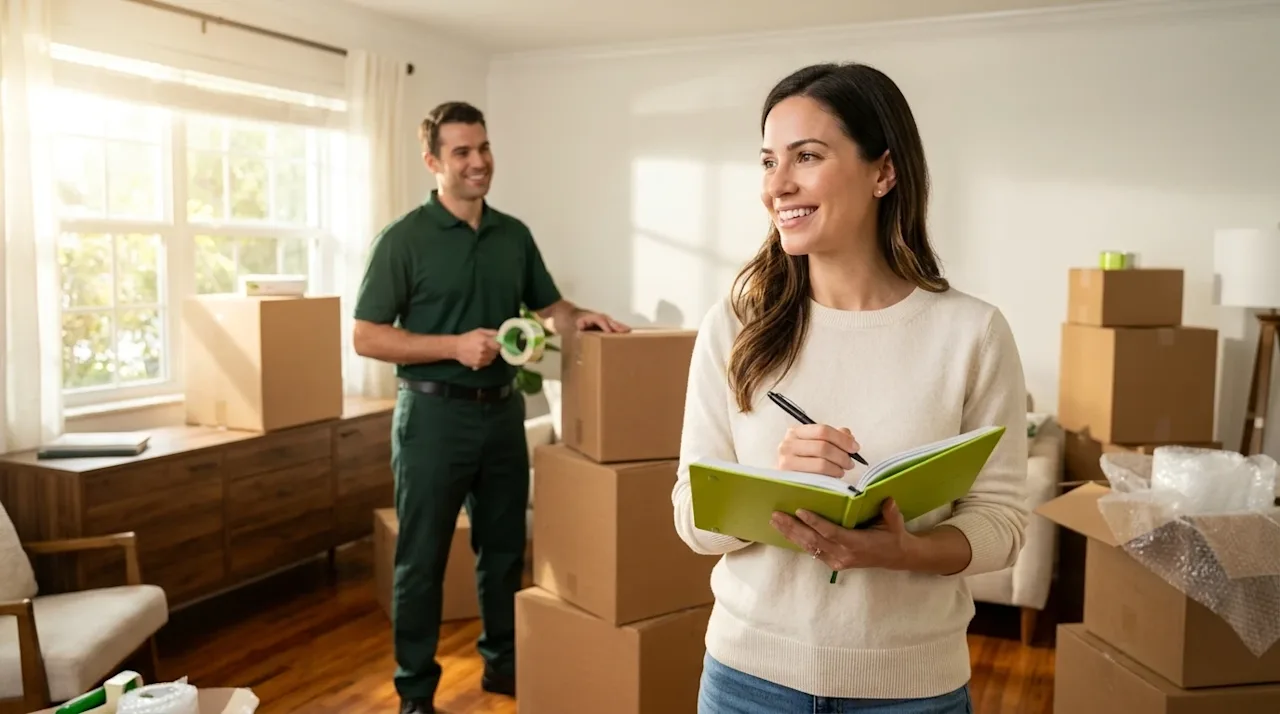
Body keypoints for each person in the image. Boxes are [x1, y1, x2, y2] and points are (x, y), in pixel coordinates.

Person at [671, 63, 1029, 713]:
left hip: (910, 689)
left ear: (883, 172)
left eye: (807, 156)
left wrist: (906, 551)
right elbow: (689, 519)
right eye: (768, 161)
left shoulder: (972, 333)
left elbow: (1002, 523)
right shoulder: (736, 326)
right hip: (748, 679)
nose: (778, 185)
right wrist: (766, 483)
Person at [352, 100, 629, 714]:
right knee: (421, 559)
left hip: (502, 413)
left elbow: (550, 306)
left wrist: (575, 316)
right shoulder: (402, 241)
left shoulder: (513, 234)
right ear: (433, 162)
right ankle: (416, 691)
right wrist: (453, 345)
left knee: (504, 551)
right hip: (431, 419)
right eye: (462, 152)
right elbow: (366, 335)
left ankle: (503, 667)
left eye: (484, 148)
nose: (479, 162)